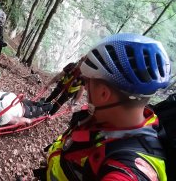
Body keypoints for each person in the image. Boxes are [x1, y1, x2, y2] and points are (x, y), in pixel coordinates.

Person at [34, 33, 171, 181]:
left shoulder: (128, 171)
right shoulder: (105, 115)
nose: (85, 88)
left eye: (87, 82)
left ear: (103, 93)